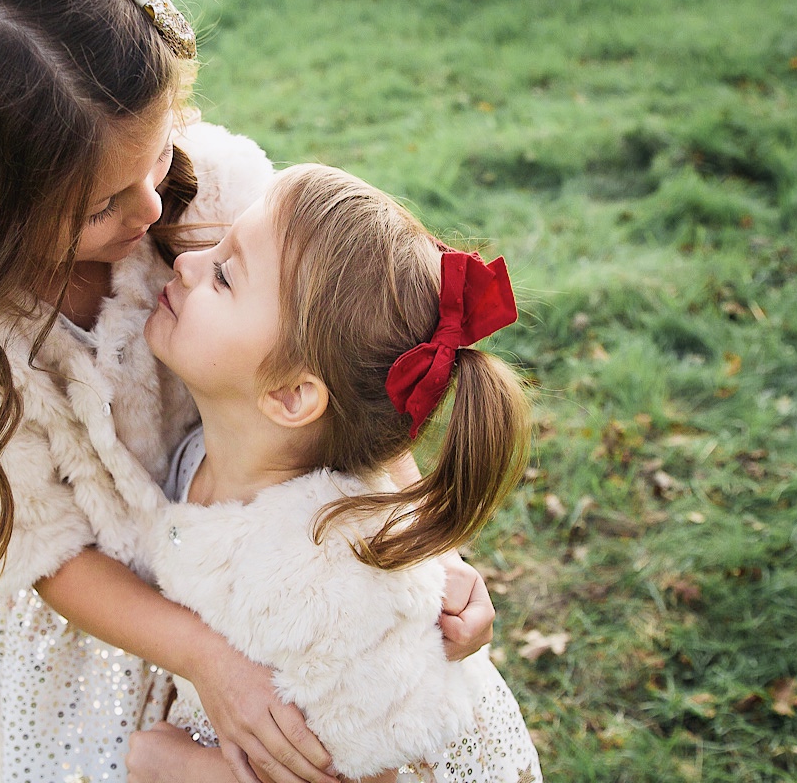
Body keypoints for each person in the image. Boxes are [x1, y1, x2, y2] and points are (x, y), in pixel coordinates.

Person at [0, 0, 495, 780]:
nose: (149, 205)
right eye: (101, 204)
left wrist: (421, 553)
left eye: (158, 154)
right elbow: (42, 547)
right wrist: (207, 659)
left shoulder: (215, 193)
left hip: (276, 580)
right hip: (105, 638)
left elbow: (351, 383)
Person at [129, 164, 543, 782]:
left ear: (291, 396)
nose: (185, 263)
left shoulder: (331, 583)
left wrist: (178, 767)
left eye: (223, 275)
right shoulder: (203, 455)